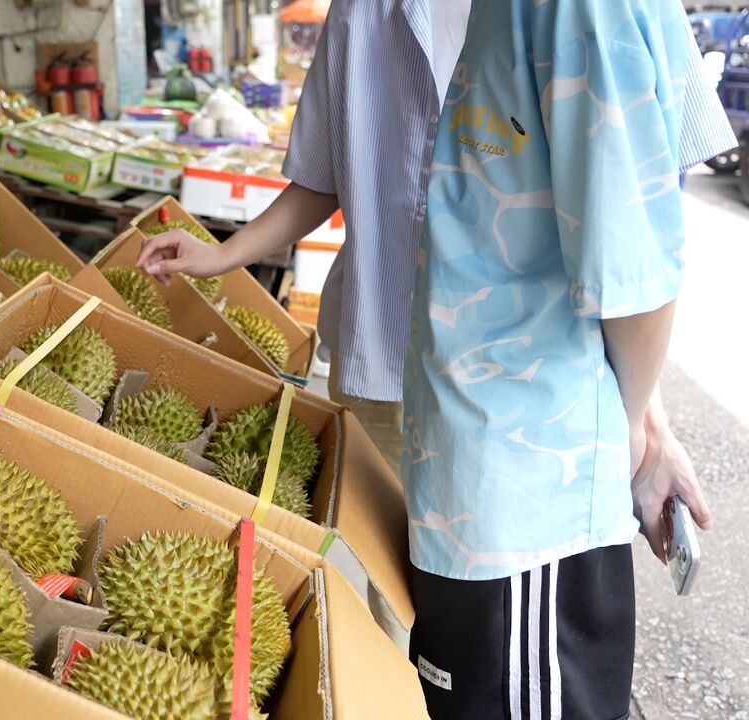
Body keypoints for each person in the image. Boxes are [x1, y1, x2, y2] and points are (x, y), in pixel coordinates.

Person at [137, 0, 732, 665]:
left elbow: (623, 248)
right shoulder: (368, 14)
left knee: (490, 651)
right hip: (386, 368)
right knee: (391, 626)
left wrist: (643, 424)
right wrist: (224, 253)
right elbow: (326, 171)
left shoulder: (569, 13)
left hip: (510, 418)